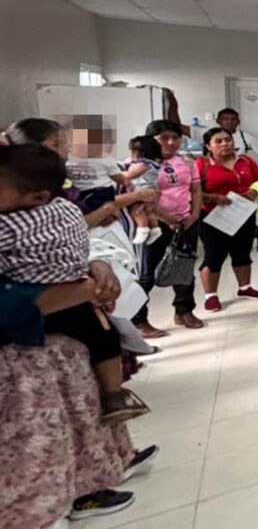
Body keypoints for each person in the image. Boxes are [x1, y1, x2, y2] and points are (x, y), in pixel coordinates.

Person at [0, 143, 149, 422]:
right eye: (57, 144)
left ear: (37, 196)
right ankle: (116, 394)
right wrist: (88, 275)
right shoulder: (67, 208)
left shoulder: (9, 223)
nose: (67, 151)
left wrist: (96, 266)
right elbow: (82, 237)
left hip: (38, 305)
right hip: (75, 290)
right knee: (103, 336)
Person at [132, 119, 204, 331]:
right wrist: (167, 220)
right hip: (155, 225)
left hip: (185, 222)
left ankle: (184, 311)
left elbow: (196, 190)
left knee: (183, 269)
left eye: (175, 138)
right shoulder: (140, 163)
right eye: (164, 138)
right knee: (146, 273)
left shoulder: (187, 162)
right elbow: (141, 197)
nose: (171, 142)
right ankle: (138, 319)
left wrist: (194, 215)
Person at [196, 127, 258, 313]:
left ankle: (245, 287)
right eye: (218, 141)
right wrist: (213, 198)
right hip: (213, 217)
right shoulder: (202, 165)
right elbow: (191, 192)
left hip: (243, 214)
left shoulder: (245, 161)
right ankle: (211, 295)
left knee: (242, 251)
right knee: (214, 255)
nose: (225, 144)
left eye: (228, 140)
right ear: (208, 146)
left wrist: (254, 191)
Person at [216, 108, 258, 252]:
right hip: (219, 178)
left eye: (233, 119)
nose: (229, 122)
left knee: (241, 214)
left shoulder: (244, 137)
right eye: (225, 119)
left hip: (241, 179)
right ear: (218, 121)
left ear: (238, 122)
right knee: (223, 215)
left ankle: (257, 233)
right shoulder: (212, 135)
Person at [120, 136, 166, 245]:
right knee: (147, 211)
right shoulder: (153, 163)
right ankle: (155, 228)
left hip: (144, 190)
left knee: (136, 210)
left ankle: (143, 228)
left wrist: (115, 174)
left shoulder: (144, 164)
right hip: (150, 190)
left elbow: (130, 175)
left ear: (137, 152)